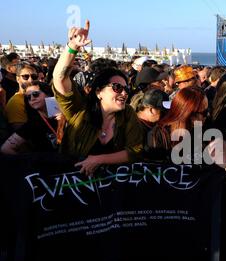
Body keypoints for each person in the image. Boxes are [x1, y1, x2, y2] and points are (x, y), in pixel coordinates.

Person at [52, 20, 143, 176]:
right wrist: (73, 47)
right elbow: (59, 78)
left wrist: (99, 159)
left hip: (110, 187)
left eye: (126, 89)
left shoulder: (128, 114)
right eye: (117, 87)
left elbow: (135, 151)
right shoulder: (79, 109)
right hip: (73, 183)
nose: (124, 93)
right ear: (99, 92)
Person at [1, 81, 64, 154]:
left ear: (48, 94)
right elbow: (5, 148)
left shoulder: (66, 114)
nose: (32, 99)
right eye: (28, 97)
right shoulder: (32, 123)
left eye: (35, 94)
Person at [4, 62, 38, 130]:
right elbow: (20, 133)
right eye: (25, 76)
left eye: (34, 76)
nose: (30, 80)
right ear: (18, 79)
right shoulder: (16, 102)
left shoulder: (38, 97)